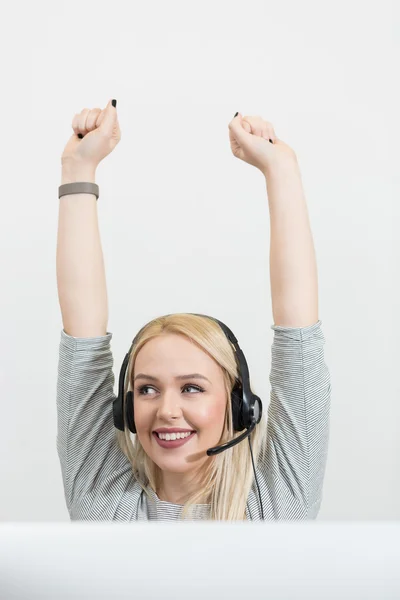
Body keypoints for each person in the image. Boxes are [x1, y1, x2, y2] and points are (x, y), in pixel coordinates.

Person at [56, 99, 331, 521]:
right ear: (125, 410)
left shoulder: (274, 506)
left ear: (239, 405)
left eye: (192, 388)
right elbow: (83, 340)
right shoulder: (105, 506)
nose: (166, 409)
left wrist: (281, 171)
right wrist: (78, 170)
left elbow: (298, 338)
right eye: (146, 389)